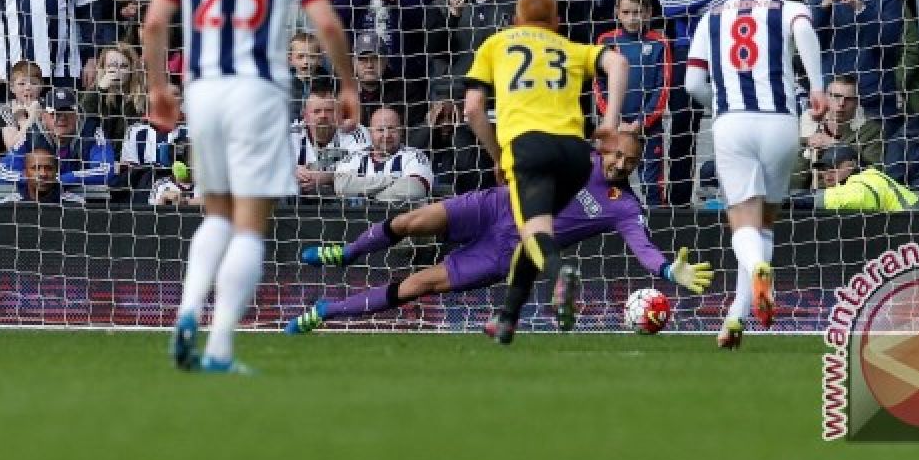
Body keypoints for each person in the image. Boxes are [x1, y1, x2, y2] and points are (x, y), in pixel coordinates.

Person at [143, 0, 360, 374]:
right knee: (249, 223)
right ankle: (218, 348)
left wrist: (157, 89)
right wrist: (348, 83)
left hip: (204, 91)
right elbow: (326, 24)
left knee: (215, 209)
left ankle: (187, 311)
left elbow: (153, 23)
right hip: (258, 90)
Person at [285, 131, 713, 333]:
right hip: (494, 205)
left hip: (504, 250)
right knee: (410, 222)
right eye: (618, 155)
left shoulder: (624, 206)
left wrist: (667, 272)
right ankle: (346, 253)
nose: (621, 165)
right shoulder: (577, 152)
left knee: (418, 285)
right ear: (606, 148)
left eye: (630, 163)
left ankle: (327, 311)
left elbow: (644, 248)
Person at [463, 0, 629, 344]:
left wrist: (498, 156)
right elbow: (617, 62)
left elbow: (473, 108)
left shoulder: (494, 44)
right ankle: (507, 318)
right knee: (536, 231)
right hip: (575, 154)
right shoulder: (569, 47)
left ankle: (559, 273)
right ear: (556, 21)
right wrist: (611, 121)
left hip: (529, 148)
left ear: (516, 19)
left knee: (535, 233)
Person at [685, 0, 825, 348]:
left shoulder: (711, 16)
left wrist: (721, 101)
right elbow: (804, 32)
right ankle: (735, 318)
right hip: (781, 122)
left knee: (743, 220)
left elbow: (693, 82)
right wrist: (816, 87)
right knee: (764, 221)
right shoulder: (792, 8)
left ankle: (757, 273)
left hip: (732, 124)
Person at [657, 0, 737, 206]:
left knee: (729, 120)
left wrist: (689, 0)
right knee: (681, 124)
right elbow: (666, 4)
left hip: (722, 45)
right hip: (684, 47)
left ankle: (730, 196)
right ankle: (677, 202)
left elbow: (729, 1)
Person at [811, 0, 905, 122]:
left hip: (874, 97)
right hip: (834, 97)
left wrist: (861, 8)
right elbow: (810, 45)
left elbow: (888, 41)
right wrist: (823, 9)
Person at [593, 0, 670, 201]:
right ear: (617, 12)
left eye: (637, 12)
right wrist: (614, 119)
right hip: (615, 127)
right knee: (612, 181)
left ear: (648, 13)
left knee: (653, 185)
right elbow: (599, 86)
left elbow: (662, 87)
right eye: (626, 12)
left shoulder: (659, 42)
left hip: (648, 128)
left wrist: (640, 122)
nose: (632, 18)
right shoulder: (606, 41)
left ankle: (656, 226)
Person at [0, 85, 116, 188]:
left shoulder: (92, 132)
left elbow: (105, 170)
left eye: (67, 112)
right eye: (54, 113)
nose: (61, 118)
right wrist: (34, 179)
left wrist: (58, 180)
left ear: (77, 115)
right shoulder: (32, 136)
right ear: (43, 117)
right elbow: (2, 170)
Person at [790, 74, 885, 190]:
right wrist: (807, 153)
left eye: (848, 99)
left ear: (857, 102)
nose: (841, 104)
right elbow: (792, 183)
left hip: (848, 199)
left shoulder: (871, 130)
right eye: (836, 96)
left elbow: (875, 177)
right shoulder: (806, 124)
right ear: (825, 98)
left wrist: (836, 146)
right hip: (805, 200)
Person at [332, 105, 432, 202]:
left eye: (392, 129)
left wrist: (370, 200)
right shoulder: (355, 157)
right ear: (370, 133)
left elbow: (414, 190)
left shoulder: (414, 155)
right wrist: (394, 180)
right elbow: (341, 186)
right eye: (380, 130)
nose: (386, 135)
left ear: (401, 131)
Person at [813, 144, 919, 211]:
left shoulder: (865, 180)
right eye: (823, 168)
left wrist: (801, 199)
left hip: (913, 229)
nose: (828, 173)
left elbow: (852, 198)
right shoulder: (871, 175)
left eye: (833, 166)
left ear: (853, 164)